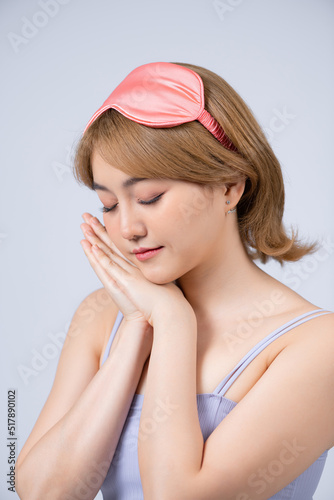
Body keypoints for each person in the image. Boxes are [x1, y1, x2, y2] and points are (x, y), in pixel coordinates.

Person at [16, 62, 334, 500]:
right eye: (108, 205)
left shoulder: (319, 346)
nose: (127, 227)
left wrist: (172, 321)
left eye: (149, 197)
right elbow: (43, 492)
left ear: (229, 186)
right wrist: (137, 328)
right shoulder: (99, 316)